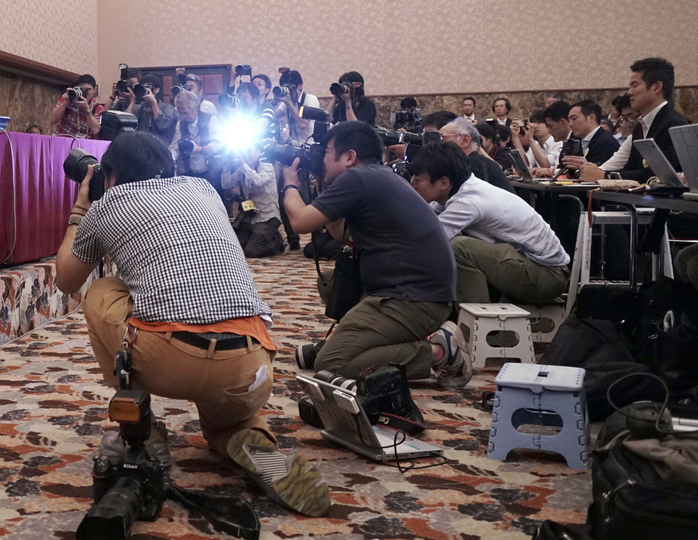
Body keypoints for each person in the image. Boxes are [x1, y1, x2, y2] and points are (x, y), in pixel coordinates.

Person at [56, 132, 331, 517]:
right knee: (226, 421)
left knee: (101, 290)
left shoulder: (109, 204)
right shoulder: (203, 188)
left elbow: (66, 279)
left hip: (171, 360)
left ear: (110, 176)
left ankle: (143, 429)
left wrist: (80, 210)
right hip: (251, 364)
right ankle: (245, 436)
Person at [281, 122, 470, 388]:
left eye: (327, 153)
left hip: (411, 299)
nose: (322, 159)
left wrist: (289, 184)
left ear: (349, 157)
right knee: (332, 283)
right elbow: (339, 233)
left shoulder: (357, 178)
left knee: (331, 364)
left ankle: (439, 352)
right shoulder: (374, 176)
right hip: (417, 294)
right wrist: (323, 186)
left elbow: (300, 222)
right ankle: (374, 343)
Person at [409, 143, 570, 305]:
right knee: (453, 240)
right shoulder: (460, 190)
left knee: (458, 248)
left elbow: (425, 241)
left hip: (548, 275)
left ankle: (476, 317)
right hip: (531, 264)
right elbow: (423, 224)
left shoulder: (468, 202)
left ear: (443, 183)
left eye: (417, 180)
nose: (412, 184)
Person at [582, 58, 690, 183]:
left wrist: (604, 176)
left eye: (635, 86)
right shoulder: (640, 126)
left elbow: (660, 174)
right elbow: (631, 168)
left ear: (656, 87)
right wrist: (601, 174)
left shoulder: (673, 124)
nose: (629, 92)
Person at [222, 142, 284, 258]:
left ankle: (278, 241)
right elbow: (226, 184)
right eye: (244, 151)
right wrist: (227, 167)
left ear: (258, 152)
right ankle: (262, 237)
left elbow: (258, 181)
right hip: (250, 217)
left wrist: (243, 164)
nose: (247, 154)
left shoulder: (267, 167)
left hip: (267, 217)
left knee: (252, 251)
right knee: (237, 248)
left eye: (250, 151)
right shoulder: (242, 169)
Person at [440, 117, 515, 193]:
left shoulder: (474, 166)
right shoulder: (477, 162)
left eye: (442, 138)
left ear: (465, 140)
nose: (438, 145)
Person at [171, 90, 224, 193]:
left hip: (211, 173)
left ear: (196, 108)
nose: (183, 116)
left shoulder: (211, 119)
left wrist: (200, 149)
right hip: (189, 174)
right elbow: (174, 147)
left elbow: (219, 143)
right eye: (180, 113)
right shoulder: (181, 124)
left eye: (185, 112)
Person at [558, 99, 619, 170]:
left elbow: (599, 172)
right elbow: (563, 165)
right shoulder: (575, 140)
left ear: (591, 118)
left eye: (574, 119)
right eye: (569, 120)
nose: (570, 124)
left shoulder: (606, 142)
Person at [50, 74, 104, 138]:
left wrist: (86, 109)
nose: (85, 93)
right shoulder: (68, 97)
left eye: (88, 90)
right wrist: (66, 102)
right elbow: (53, 120)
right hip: (61, 138)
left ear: (95, 89)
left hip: (82, 143)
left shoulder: (98, 108)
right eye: (82, 89)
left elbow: (96, 131)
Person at [129, 73, 178, 144]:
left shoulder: (168, 108)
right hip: (142, 145)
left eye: (148, 87)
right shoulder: (140, 108)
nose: (145, 90)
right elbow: (127, 124)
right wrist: (132, 100)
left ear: (157, 90)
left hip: (160, 146)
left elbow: (162, 126)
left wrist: (153, 104)